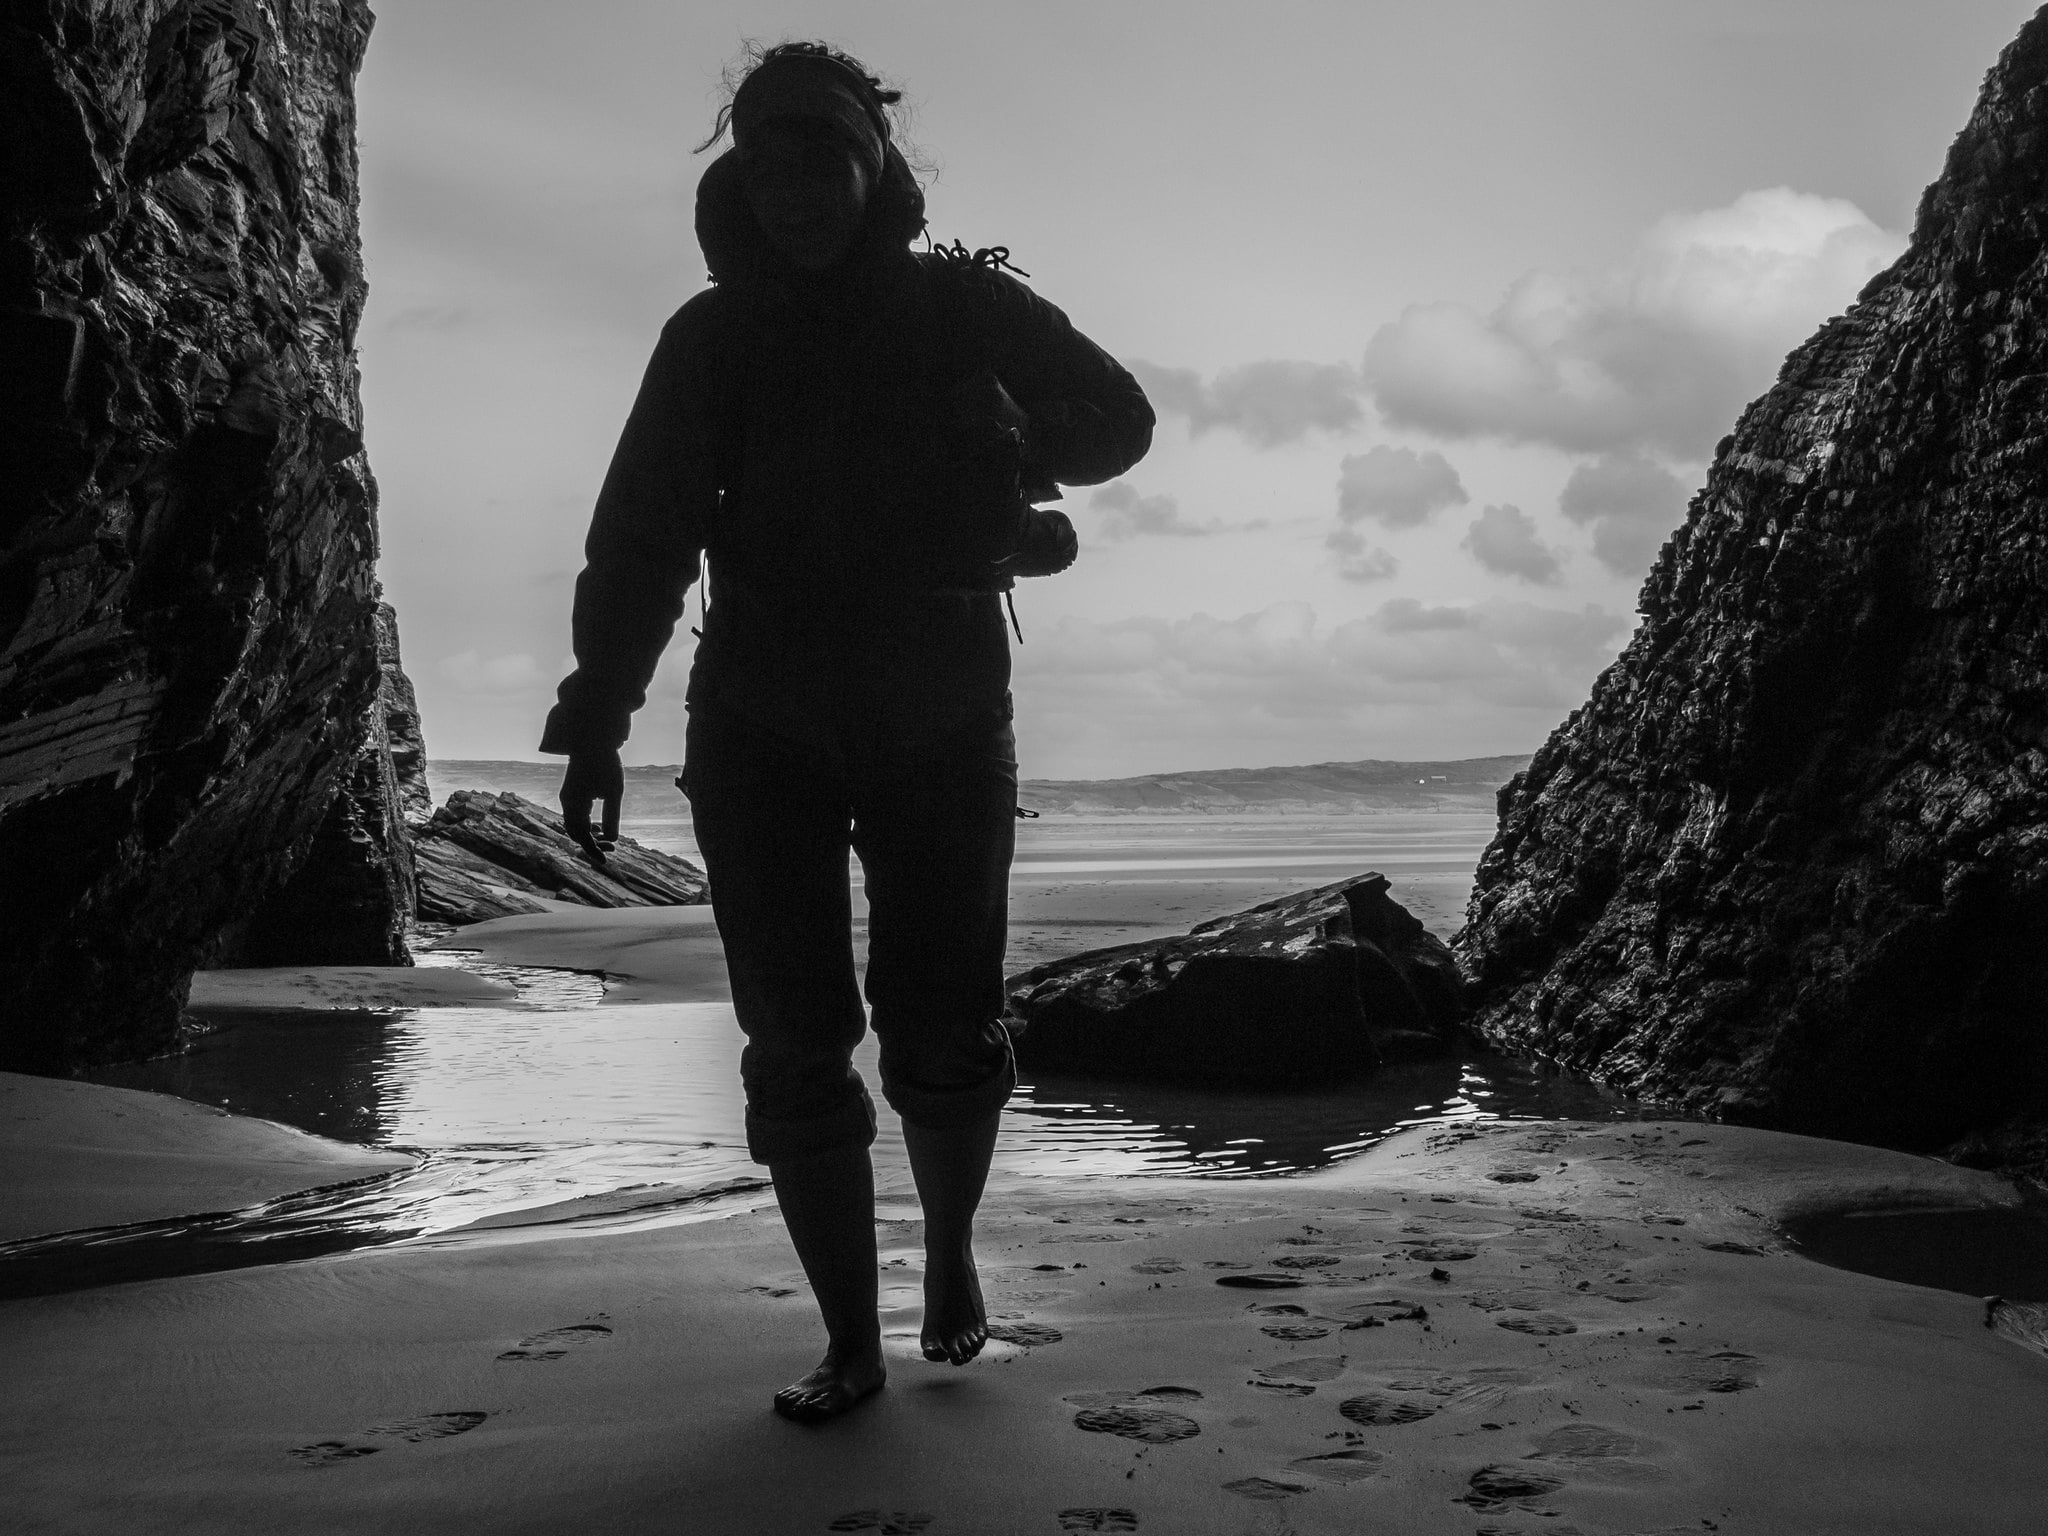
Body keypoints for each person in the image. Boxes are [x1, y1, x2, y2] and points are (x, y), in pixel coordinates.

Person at [540, 41, 1153, 1423]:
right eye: (765, 157)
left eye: (822, 151)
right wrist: (597, 716)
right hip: (761, 718)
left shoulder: (964, 305)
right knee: (795, 1040)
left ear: (876, 163)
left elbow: (1121, 421)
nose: (796, 185)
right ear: (735, 176)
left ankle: (945, 1260)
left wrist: (1016, 439)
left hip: (941, 711)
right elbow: (640, 536)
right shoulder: (711, 338)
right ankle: (847, 1342)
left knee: (942, 1027)